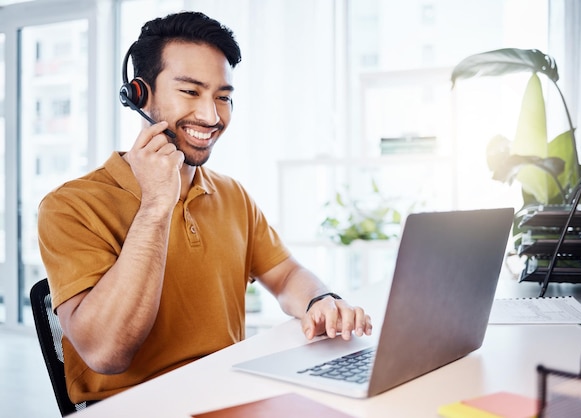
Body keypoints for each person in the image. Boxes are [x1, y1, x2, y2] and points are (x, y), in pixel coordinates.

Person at [37, 11, 372, 404]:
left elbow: (285, 274)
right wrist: (157, 204)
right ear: (139, 94)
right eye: (191, 92)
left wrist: (320, 300)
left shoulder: (232, 195)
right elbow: (106, 353)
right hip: (134, 407)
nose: (212, 116)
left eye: (223, 97)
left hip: (227, 393)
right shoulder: (70, 206)